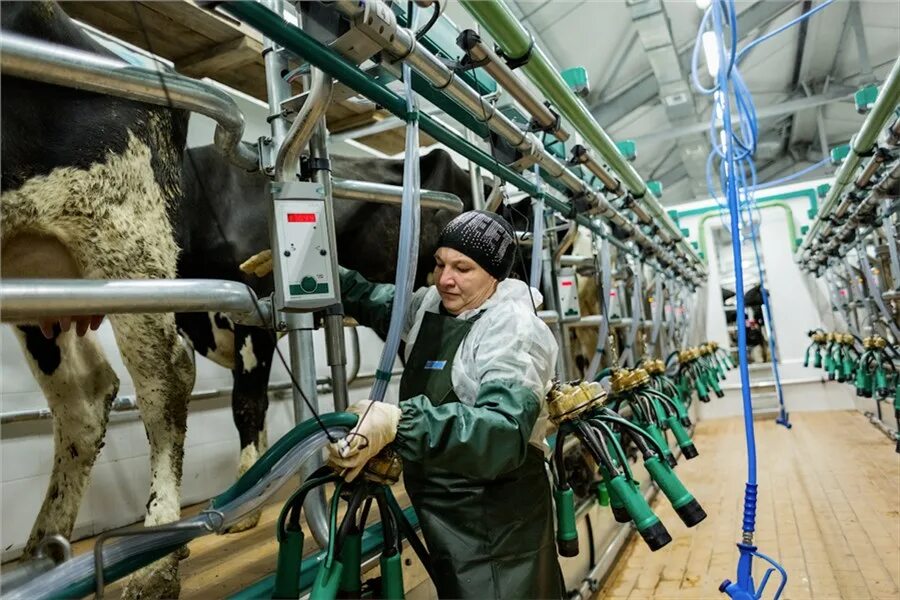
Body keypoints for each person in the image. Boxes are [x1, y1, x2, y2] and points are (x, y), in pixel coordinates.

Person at [328, 210, 564, 599]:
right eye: (439, 263)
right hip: (445, 514)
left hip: (498, 521)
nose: (444, 279)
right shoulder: (430, 306)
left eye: (462, 268)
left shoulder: (513, 331)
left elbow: (503, 432)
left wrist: (400, 423)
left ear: (495, 275)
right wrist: (313, 265)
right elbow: (373, 299)